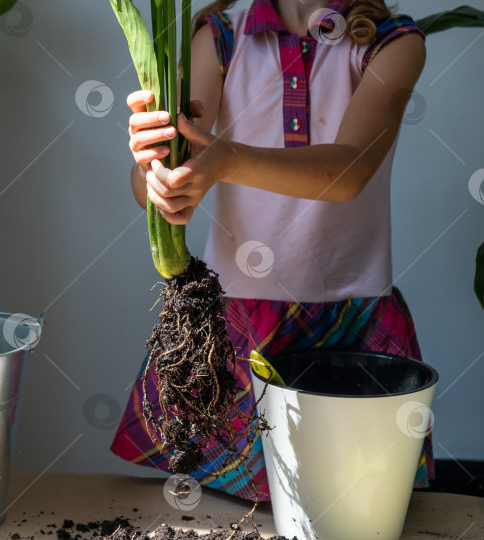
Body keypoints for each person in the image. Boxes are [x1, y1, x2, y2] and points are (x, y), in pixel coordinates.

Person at [110, 0, 432, 500]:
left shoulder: (393, 41)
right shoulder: (219, 37)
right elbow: (169, 167)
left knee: (349, 507)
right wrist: (156, 174)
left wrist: (225, 159)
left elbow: (349, 173)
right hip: (235, 329)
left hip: (351, 326)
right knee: (219, 512)